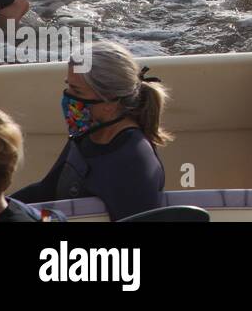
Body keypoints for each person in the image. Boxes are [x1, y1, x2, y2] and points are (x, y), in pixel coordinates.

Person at [11, 42, 169, 221]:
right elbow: (47, 192)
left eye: (76, 90)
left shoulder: (134, 159)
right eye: (68, 86)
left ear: (110, 102)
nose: (68, 96)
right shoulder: (86, 135)